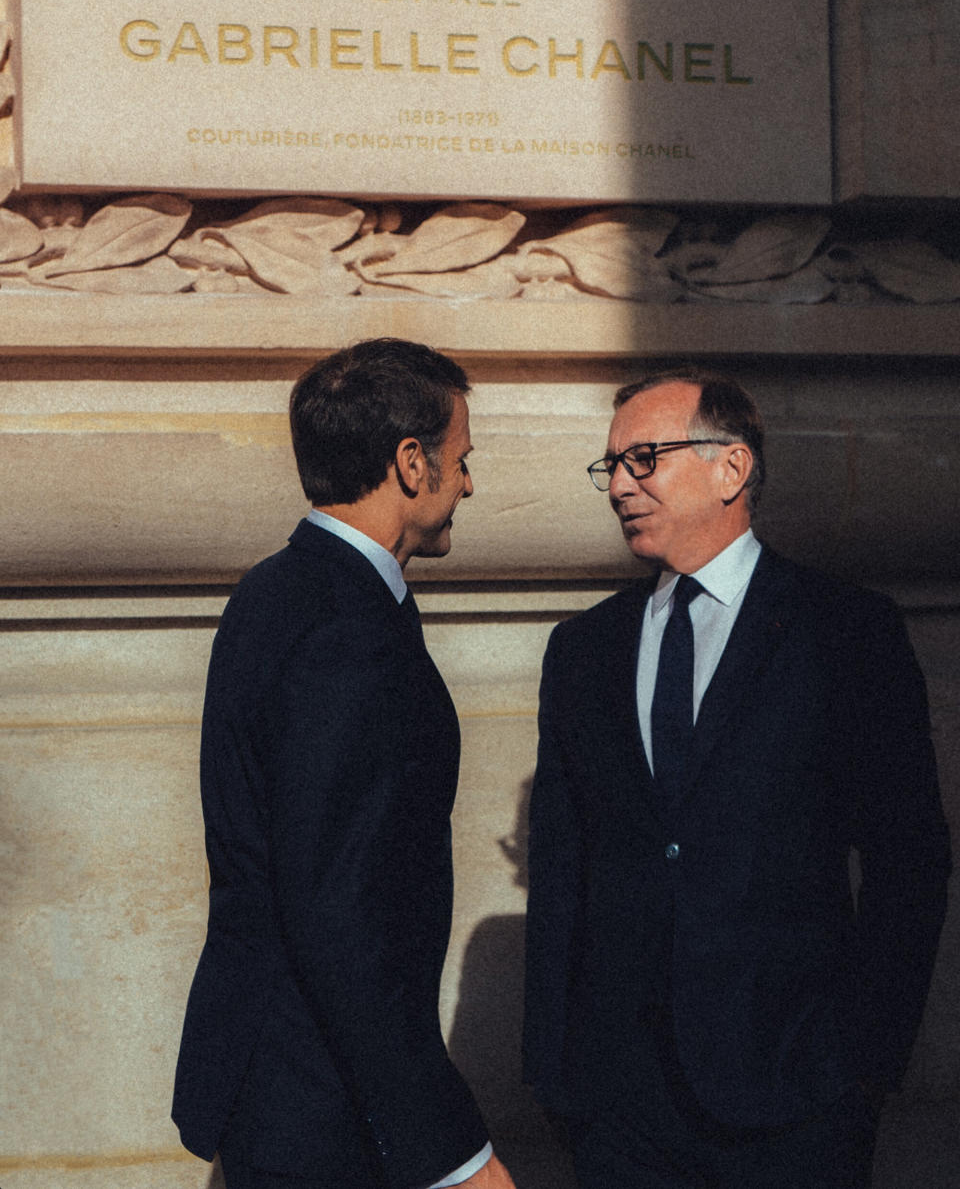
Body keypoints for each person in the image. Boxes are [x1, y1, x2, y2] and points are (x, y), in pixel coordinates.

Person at [523, 368, 951, 1189]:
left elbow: (909, 861)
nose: (618, 485)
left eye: (644, 458)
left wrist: (863, 1069)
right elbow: (562, 870)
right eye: (609, 465)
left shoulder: (845, 631)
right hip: (622, 1116)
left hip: (797, 1105)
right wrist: (557, 1076)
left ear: (732, 467)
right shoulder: (584, 651)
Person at [172, 338, 516, 1189]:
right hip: (325, 1111)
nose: (468, 483)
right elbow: (342, 921)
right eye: (460, 460)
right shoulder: (347, 634)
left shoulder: (273, 589)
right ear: (411, 463)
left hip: (279, 1088)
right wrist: (459, 1157)